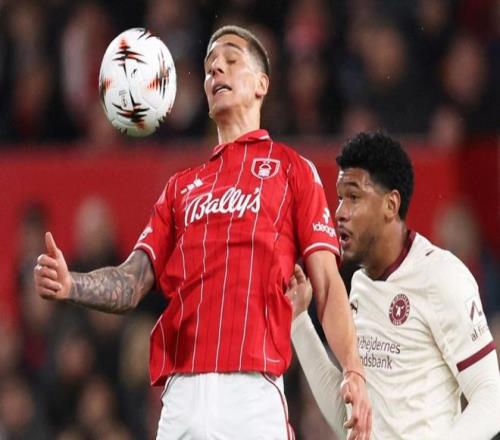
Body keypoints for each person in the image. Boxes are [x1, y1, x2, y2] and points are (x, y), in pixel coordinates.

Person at [33, 25, 371, 439]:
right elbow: (131, 283)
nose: (216, 71)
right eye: (210, 66)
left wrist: (353, 369)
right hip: (181, 399)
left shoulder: (292, 170)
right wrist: (72, 284)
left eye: (230, 60)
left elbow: (328, 284)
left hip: (252, 395)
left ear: (262, 84)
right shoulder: (180, 188)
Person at [288, 132, 500, 439]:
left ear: (390, 205)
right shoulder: (359, 286)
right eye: (340, 198)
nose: (340, 212)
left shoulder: (440, 276)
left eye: (354, 197)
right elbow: (349, 420)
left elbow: (491, 398)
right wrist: (299, 321)